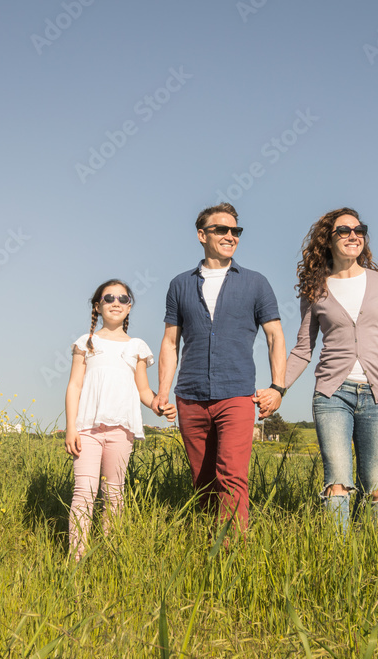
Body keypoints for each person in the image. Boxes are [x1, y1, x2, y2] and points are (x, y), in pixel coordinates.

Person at [277, 207, 378, 532]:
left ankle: (369, 553)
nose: (353, 235)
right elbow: (302, 348)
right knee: (337, 479)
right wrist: (277, 387)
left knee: (373, 484)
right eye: (344, 230)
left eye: (359, 229)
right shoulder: (317, 289)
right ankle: (336, 559)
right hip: (331, 395)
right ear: (328, 239)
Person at [152, 203, 285, 536]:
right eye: (221, 230)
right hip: (190, 396)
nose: (230, 236)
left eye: (235, 231)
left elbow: (274, 337)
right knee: (203, 479)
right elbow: (170, 343)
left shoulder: (256, 283)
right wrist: (162, 393)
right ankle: (208, 542)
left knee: (232, 475)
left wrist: (278, 387)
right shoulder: (179, 285)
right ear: (202, 235)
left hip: (236, 394)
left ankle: (230, 554)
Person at [64, 279, 176, 559]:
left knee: (114, 494)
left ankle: (110, 555)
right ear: (98, 306)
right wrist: (70, 428)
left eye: (123, 299)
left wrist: (159, 406)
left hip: (121, 431)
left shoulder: (136, 346)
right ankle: (76, 560)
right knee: (83, 493)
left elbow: (143, 391)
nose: (116, 302)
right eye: (109, 298)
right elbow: (74, 386)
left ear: (129, 307)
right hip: (86, 429)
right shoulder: (86, 342)